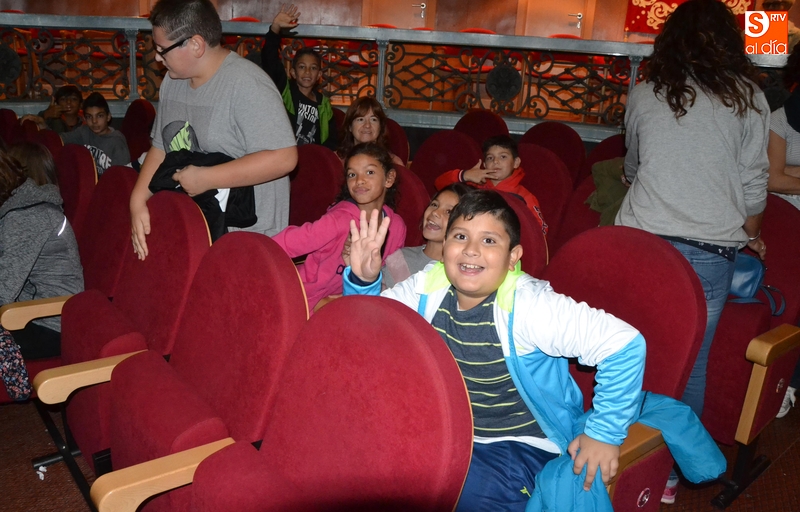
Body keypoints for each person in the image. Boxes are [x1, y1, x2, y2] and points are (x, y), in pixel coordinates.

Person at [343, 190, 646, 511]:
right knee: (361, 469)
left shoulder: (530, 306)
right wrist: (363, 280)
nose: (471, 250)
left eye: (489, 240)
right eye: (460, 236)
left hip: (518, 441)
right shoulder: (428, 284)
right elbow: (373, 332)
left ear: (513, 257)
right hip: (446, 427)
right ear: (444, 247)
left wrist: (603, 434)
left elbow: (624, 345)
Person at [614, 0, 769, 503]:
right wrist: (750, 231)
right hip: (707, 248)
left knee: (626, 352)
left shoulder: (645, 92)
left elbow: (633, 166)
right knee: (690, 364)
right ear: (729, 41)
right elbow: (753, 183)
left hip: (639, 244)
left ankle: (618, 452)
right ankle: (670, 474)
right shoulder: (748, 96)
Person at [130, 0, 297, 260]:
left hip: (248, 233)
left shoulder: (247, 84)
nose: (157, 57)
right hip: (199, 223)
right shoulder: (173, 82)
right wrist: (137, 201)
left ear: (195, 45)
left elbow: (284, 158)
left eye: (163, 49)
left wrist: (207, 178)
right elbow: (161, 147)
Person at [273, 142, 406, 311]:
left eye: (369, 172)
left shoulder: (397, 227)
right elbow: (285, 243)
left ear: (389, 178)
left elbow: (395, 277)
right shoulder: (339, 220)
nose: (359, 180)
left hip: (354, 299)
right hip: (307, 298)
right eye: (352, 174)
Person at [0, 148, 83, 361]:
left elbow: (3, 292)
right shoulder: (19, 207)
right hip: (26, 312)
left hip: (46, 323)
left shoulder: (28, 216)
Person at [766, 45, 800, 419]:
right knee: (786, 298)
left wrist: (789, 173)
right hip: (784, 218)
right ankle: (782, 380)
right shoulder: (780, 117)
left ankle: (790, 379)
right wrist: (783, 175)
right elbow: (771, 179)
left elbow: (779, 173)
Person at [434, 135, 547, 235]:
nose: (495, 161)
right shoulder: (475, 186)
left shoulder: (524, 196)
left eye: (503, 157)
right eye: (490, 158)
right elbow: (440, 185)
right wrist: (465, 175)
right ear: (484, 164)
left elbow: (540, 231)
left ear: (516, 162)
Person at [261, 4, 338, 150]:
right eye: (302, 67)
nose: (307, 72)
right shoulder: (286, 91)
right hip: (286, 155)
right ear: (293, 73)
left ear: (319, 75)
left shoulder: (324, 104)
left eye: (313, 68)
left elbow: (331, 140)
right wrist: (275, 28)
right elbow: (270, 59)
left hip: (312, 158)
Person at [381, 182, 471, 289]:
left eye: (448, 211)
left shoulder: (464, 272)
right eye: (434, 205)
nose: (435, 212)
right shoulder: (399, 259)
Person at [60, 92, 130, 175]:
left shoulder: (117, 141)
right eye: (89, 117)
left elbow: (121, 174)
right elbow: (59, 139)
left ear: (108, 117)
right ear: (84, 119)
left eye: (99, 116)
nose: (94, 121)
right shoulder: (84, 131)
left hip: (109, 181)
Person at [336, 96, 403, 166]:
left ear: (380, 127)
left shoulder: (393, 162)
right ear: (350, 126)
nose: (367, 125)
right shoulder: (334, 161)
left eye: (373, 119)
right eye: (360, 119)